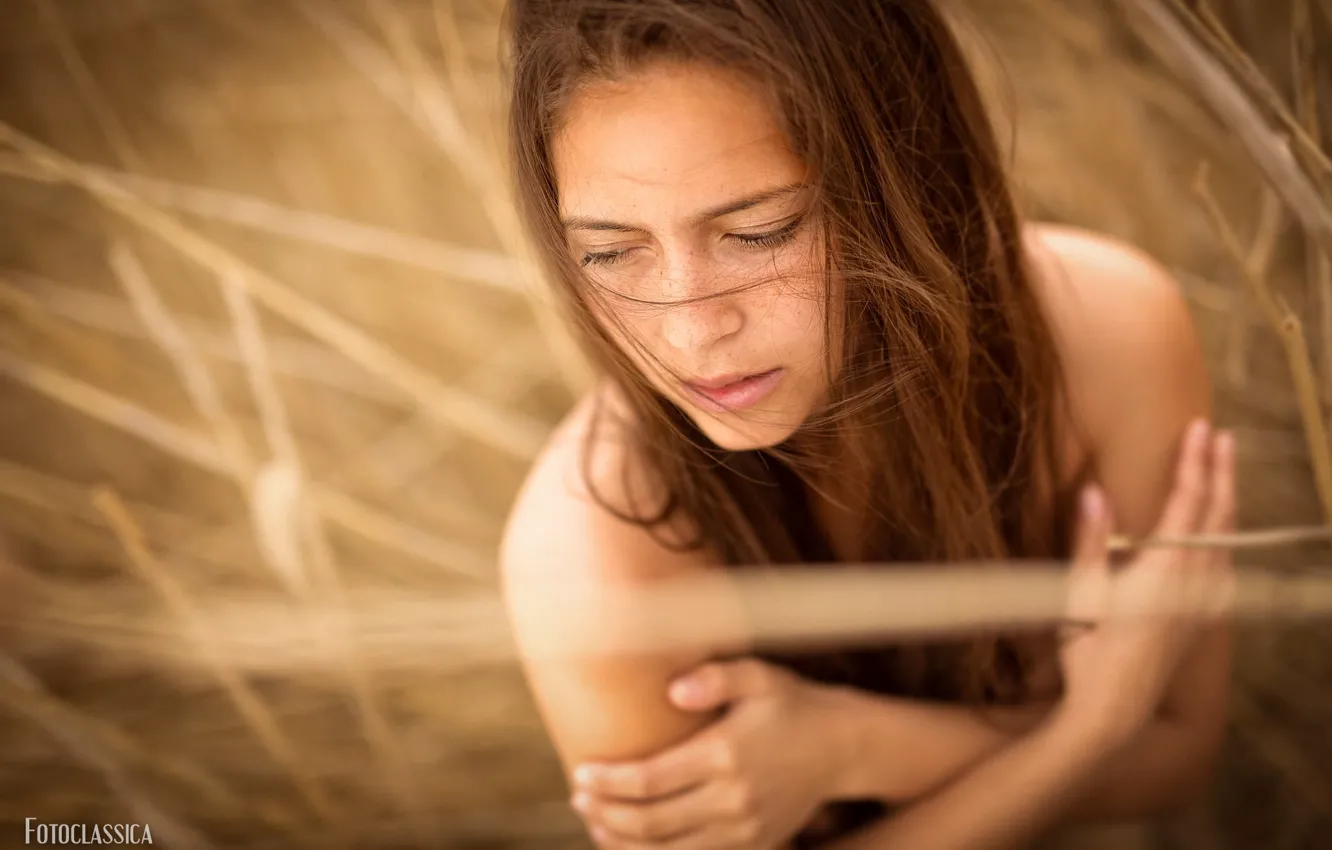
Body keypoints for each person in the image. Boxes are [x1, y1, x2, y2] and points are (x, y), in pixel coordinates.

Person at [497, 1, 1236, 848]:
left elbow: (1180, 750)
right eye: (610, 253)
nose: (690, 329)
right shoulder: (590, 556)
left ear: (904, 179)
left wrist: (853, 747)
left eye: (756, 232)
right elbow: (1140, 738)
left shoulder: (1107, 336)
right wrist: (1087, 731)